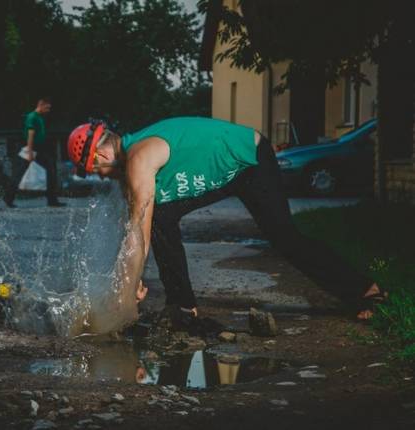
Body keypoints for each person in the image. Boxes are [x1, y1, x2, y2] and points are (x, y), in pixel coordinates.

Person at [66, 117, 386, 329]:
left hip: (251, 159)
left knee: (285, 238)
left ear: (100, 155)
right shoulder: (128, 172)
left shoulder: (138, 158)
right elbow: (140, 228)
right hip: (226, 172)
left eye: (91, 167)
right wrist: (131, 280)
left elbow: (137, 232)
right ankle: (183, 306)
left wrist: (126, 295)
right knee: (162, 215)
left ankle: (366, 290)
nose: (95, 174)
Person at [4, 97, 65, 208]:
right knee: (19, 173)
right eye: (47, 107)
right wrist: (30, 152)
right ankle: (8, 198)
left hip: (39, 149)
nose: (48, 110)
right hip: (29, 148)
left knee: (51, 169)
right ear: (41, 105)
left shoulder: (40, 117)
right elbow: (30, 135)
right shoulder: (32, 117)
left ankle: (52, 199)